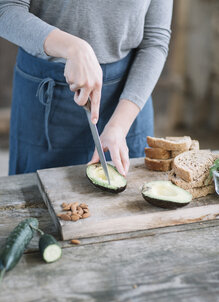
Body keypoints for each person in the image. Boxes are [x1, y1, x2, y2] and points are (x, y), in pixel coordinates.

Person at [0, 0, 173, 176]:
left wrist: (119, 125)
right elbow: (5, 10)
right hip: (48, 93)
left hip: (127, 100)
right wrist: (73, 47)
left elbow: (155, 40)